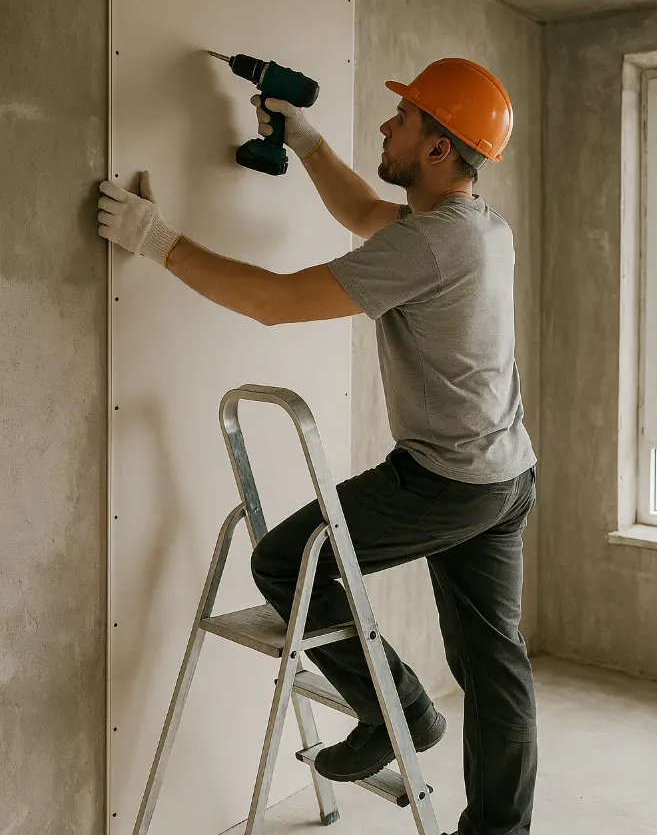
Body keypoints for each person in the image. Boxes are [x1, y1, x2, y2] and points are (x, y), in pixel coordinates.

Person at [98, 58, 538, 835]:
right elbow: (363, 208)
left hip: (447, 479)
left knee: (282, 560)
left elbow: (272, 302)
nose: (385, 125)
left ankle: (396, 708)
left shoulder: (429, 246)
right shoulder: (475, 228)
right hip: (504, 476)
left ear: (439, 150)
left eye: (401, 121)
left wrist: (156, 240)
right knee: (496, 669)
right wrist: (304, 140)